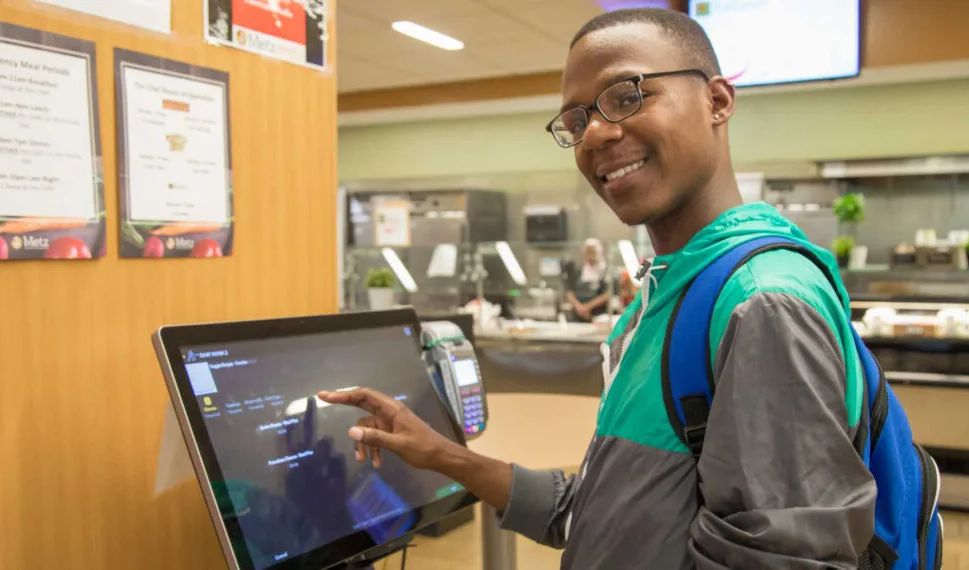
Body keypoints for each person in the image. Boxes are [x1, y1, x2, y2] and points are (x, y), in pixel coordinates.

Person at [320, 8, 876, 569]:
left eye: (628, 96)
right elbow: (597, 512)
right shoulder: (666, 295)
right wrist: (441, 455)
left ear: (718, 101)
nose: (598, 133)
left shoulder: (759, 302)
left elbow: (784, 560)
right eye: (577, 118)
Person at [565, 238, 611, 322]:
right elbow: (569, 291)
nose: (590, 256)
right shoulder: (578, 270)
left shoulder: (605, 271)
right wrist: (579, 307)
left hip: (598, 317)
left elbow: (607, 294)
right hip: (577, 317)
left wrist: (587, 307)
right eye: (587, 252)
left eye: (593, 252)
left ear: (600, 252)